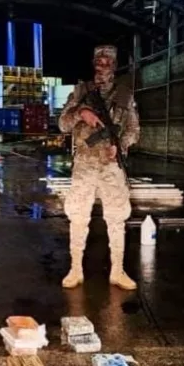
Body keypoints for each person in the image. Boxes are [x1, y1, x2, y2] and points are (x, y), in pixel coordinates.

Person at [58, 45, 140, 291]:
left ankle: (117, 271)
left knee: (117, 217)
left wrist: (121, 146)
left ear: (115, 65)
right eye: (99, 60)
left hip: (111, 165)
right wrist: (80, 112)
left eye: (108, 61)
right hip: (84, 163)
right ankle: (75, 269)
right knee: (78, 216)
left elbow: (134, 130)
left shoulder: (125, 95)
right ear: (94, 62)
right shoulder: (81, 92)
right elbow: (62, 124)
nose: (103, 64)